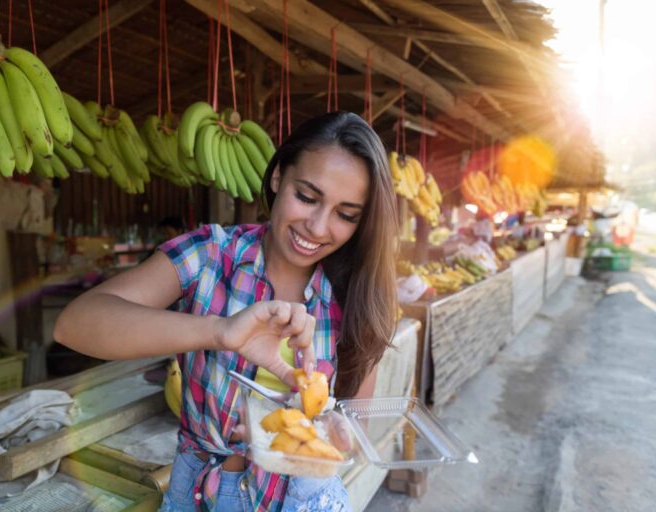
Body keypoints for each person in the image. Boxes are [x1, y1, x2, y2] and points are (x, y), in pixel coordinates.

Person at [53, 111, 399, 511]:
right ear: (277, 178)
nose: (319, 227)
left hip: (308, 500)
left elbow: (353, 432)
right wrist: (219, 332)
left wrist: (325, 434)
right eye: (306, 196)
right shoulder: (210, 255)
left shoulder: (356, 296)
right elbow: (74, 324)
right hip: (204, 495)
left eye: (346, 215)